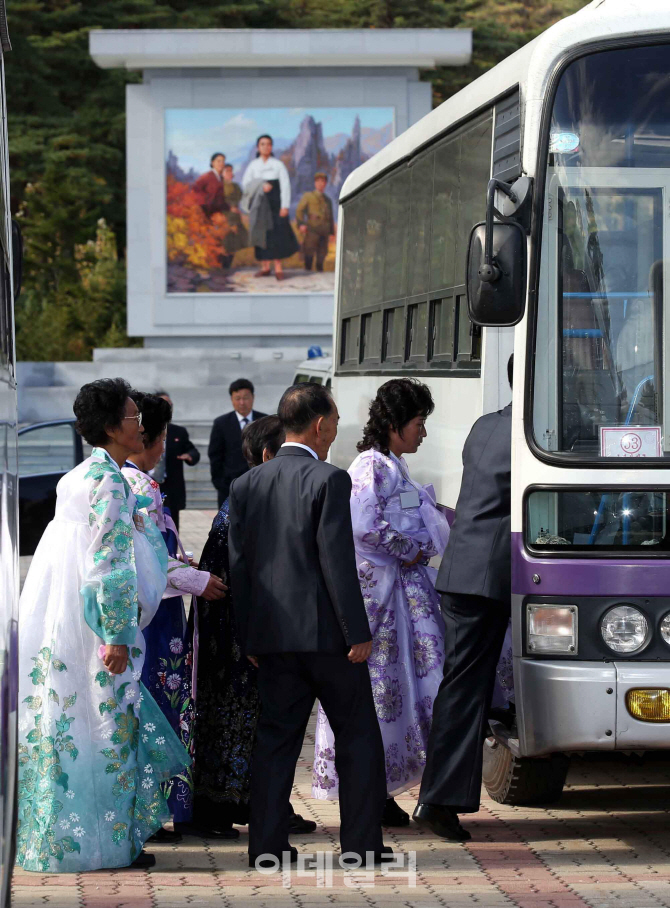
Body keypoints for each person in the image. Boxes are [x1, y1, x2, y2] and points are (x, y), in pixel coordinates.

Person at [16, 378, 190, 873]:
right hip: (97, 627)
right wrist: (115, 633)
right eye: (134, 417)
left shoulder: (79, 475)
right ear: (114, 427)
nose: (141, 425)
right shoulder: (110, 483)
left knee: (69, 721)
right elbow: (108, 564)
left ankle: (67, 838)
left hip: (63, 621)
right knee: (109, 725)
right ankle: (110, 845)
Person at [228, 383, 390, 868]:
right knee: (358, 738)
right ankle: (361, 847)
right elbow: (336, 563)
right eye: (336, 420)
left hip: (274, 639)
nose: (337, 429)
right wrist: (358, 632)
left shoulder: (246, 484)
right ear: (320, 424)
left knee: (275, 742)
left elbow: (239, 568)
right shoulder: (329, 479)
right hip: (329, 640)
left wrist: (249, 636)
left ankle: (268, 846)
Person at [312, 378, 450, 826]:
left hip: (402, 597)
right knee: (380, 693)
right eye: (418, 423)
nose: (423, 433)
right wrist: (411, 550)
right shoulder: (370, 467)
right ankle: (374, 790)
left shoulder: (393, 465)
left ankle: (387, 786)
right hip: (381, 602)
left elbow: (415, 514)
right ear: (393, 424)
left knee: (404, 692)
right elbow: (365, 526)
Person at [192, 416, 316, 839]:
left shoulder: (247, 499)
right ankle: (230, 810)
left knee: (247, 721)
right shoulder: (246, 504)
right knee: (241, 720)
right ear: (267, 456)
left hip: (238, 630)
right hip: (239, 634)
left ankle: (251, 807)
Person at [413, 356, 514, 841]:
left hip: (463, 568)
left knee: (463, 688)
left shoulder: (486, 424)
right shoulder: (532, 434)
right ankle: (437, 802)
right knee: (464, 692)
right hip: (485, 575)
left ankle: (439, 799)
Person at [122, 392, 227, 840]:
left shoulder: (130, 480)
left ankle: (153, 808)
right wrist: (198, 581)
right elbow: (150, 558)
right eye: (162, 435)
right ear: (151, 436)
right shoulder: (139, 486)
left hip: (149, 611)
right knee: (161, 707)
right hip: (157, 614)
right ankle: (159, 809)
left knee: (156, 705)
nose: (164, 445)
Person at [241, 134, 299, 281]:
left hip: (275, 204)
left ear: (271, 147)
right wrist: (260, 185)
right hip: (259, 205)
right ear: (258, 147)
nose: (265, 147)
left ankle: (278, 268)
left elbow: (285, 186)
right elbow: (245, 184)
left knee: (277, 235)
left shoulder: (278, 165)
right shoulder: (253, 166)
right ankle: (265, 268)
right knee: (262, 235)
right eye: (262, 144)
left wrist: (284, 206)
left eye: (268, 144)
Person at [208, 378, 267, 507]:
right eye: (237, 398)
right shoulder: (221, 424)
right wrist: (220, 484)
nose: (242, 402)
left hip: (260, 486)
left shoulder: (265, 421)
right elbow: (215, 456)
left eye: (246, 398)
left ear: (253, 397)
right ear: (232, 399)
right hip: (230, 487)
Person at [154, 390, 200, 533]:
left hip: (171, 488)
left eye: (170, 405)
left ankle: (172, 555)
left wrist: (190, 456)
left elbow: (192, 451)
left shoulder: (178, 432)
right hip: (149, 485)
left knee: (172, 529)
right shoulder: (143, 431)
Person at [296, 172, 334, 273]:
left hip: (324, 231)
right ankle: (307, 277)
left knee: (322, 256)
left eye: (323, 181)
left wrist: (331, 233)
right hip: (312, 230)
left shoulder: (328, 200)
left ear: (326, 183)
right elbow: (299, 210)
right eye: (318, 181)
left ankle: (319, 278)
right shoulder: (308, 196)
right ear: (315, 183)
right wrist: (301, 224)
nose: (321, 184)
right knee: (309, 254)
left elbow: (330, 217)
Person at [221, 163, 249, 269]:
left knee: (234, 243)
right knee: (225, 242)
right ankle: (223, 267)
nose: (230, 173)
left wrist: (241, 211)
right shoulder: (220, 186)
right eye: (227, 171)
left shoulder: (236, 186)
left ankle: (227, 267)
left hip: (235, 216)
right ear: (222, 173)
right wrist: (229, 207)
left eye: (231, 171)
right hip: (225, 216)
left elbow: (241, 199)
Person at [192, 152, 229, 219]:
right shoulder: (206, 177)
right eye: (218, 161)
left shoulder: (221, 178)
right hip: (205, 213)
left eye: (223, 161)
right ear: (212, 163)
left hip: (217, 214)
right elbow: (195, 192)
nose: (221, 163)